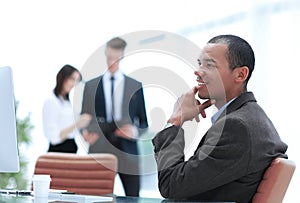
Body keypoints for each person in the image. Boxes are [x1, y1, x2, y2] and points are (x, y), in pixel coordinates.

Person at [152, 35, 288, 203]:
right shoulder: (250, 117)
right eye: (199, 63)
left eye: (209, 65)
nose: (198, 71)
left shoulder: (237, 127)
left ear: (240, 74)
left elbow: (171, 186)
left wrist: (174, 121)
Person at [81, 37, 148, 197]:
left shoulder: (135, 86)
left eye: (116, 58)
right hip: (99, 148)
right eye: (110, 57)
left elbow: (144, 122)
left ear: (122, 56)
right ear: (105, 55)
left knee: (133, 197)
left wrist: (134, 132)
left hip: (128, 150)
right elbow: (84, 118)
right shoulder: (91, 86)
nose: (113, 62)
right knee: (94, 198)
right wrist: (84, 133)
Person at [43, 64, 91, 153]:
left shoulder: (67, 102)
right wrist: (77, 124)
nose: (74, 84)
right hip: (59, 151)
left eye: (76, 81)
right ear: (63, 78)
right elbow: (54, 137)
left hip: (71, 148)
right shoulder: (51, 101)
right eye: (72, 79)